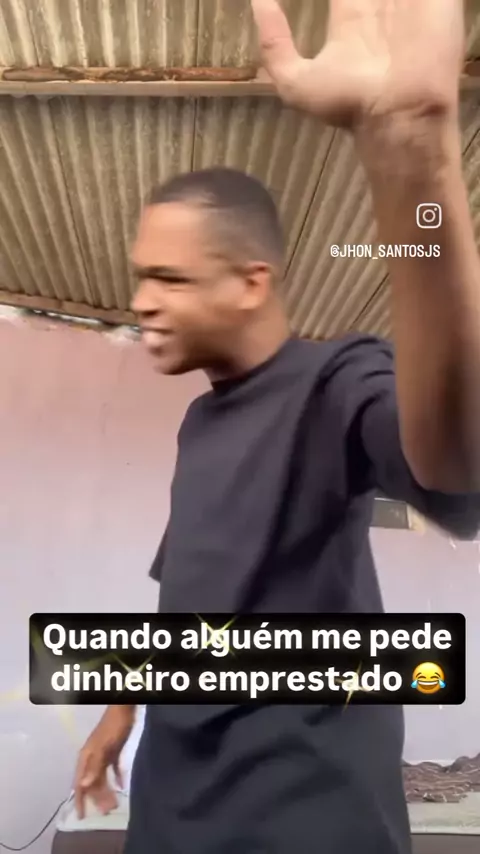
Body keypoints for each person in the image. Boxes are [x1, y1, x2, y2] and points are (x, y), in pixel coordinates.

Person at [74, 1, 480, 852]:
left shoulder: (338, 381)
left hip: (304, 817)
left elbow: (454, 472)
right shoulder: (200, 424)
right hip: (175, 811)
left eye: (169, 278)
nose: (142, 300)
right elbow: (188, 600)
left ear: (251, 283)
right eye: (141, 276)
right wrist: (121, 707)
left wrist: (413, 163)